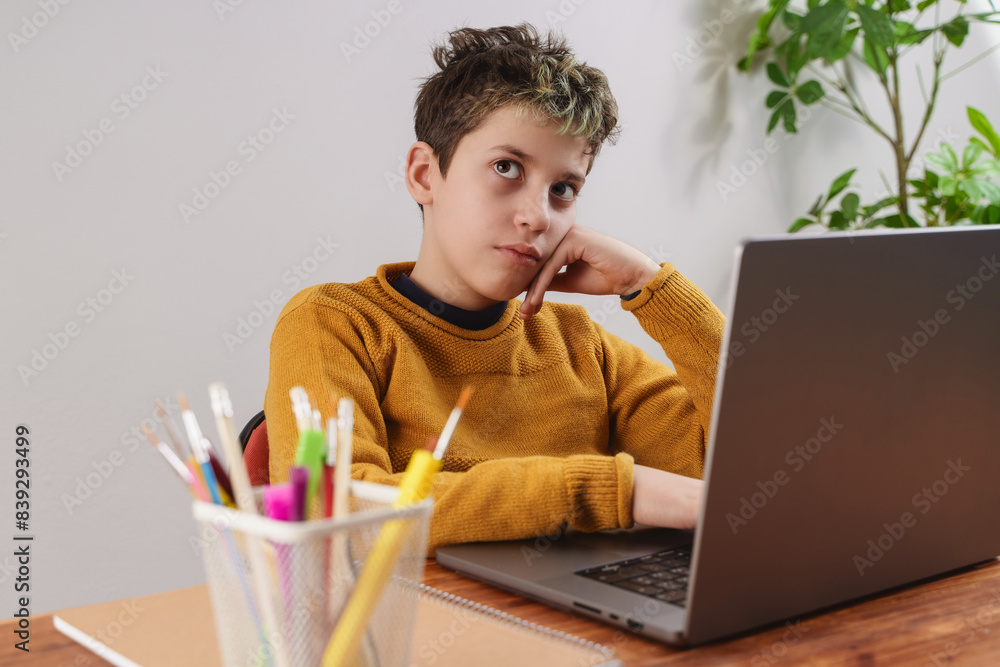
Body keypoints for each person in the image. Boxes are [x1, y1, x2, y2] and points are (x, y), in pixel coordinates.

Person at [264, 23, 724, 552]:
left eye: (563, 189)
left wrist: (650, 286)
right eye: (506, 167)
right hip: (423, 628)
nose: (536, 216)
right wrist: (604, 490)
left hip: (578, 621)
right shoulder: (334, 323)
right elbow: (338, 512)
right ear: (423, 174)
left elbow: (746, 472)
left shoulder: (583, 348)